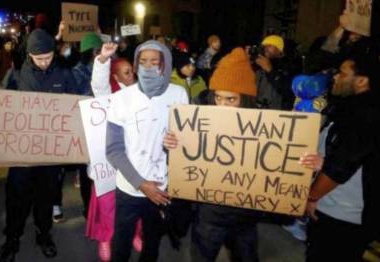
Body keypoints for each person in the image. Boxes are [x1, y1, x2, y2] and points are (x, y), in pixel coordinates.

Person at [164, 47, 260, 262]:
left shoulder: (263, 124)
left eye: (231, 100)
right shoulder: (200, 115)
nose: (222, 105)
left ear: (245, 98)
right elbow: (184, 159)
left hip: (246, 212)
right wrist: (173, 145)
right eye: (218, 98)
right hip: (210, 212)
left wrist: (306, 162)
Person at [301, 57, 380, 262]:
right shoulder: (352, 108)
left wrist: (311, 197)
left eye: (343, 73)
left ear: (362, 81)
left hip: (343, 215)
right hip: (337, 208)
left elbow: (340, 167)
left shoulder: (366, 115)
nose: (336, 76)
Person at [104, 40, 188, 262]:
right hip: (129, 187)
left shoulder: (179, 95)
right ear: (136, 64)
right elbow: (113, 149)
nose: (148, 67)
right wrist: (140, 183)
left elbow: (187, 144)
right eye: (142, 62)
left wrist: (177, 144)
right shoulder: (121, 98)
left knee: (152, 242)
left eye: (154, 62)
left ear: (165, 64)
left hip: (161, 188)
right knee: (121, 242)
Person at [0, 29, 78, 262]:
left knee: (46, 196)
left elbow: (75, 104)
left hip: (50, 153)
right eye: (39, 58)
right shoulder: (16, 74)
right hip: (22, 152)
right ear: (29, 55)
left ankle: (44, 235)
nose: (44, 62)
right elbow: (3, 107)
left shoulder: (64, 74)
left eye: (48, 57)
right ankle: (12, 239)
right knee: (17, 198)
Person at [88, 44, 142, 262]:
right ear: (115, 75)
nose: (132, 76)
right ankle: (106, 239)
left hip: (133, 159)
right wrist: (102, 60)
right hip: (108, 162)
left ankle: (134, 235)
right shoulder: (107, 93)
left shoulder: (140, 92)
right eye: (127, 72)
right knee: (108, 205)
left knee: (135, 200)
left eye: (132, 71)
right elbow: (98, 84)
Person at [255, 35, 294, 110]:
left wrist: (271, 71)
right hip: (257, 109)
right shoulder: (258, 65)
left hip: (276, 113)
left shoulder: (289, 67)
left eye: (269, 46)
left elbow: (288, 92)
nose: (265, 49)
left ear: (280, 50)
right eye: (264, 46)